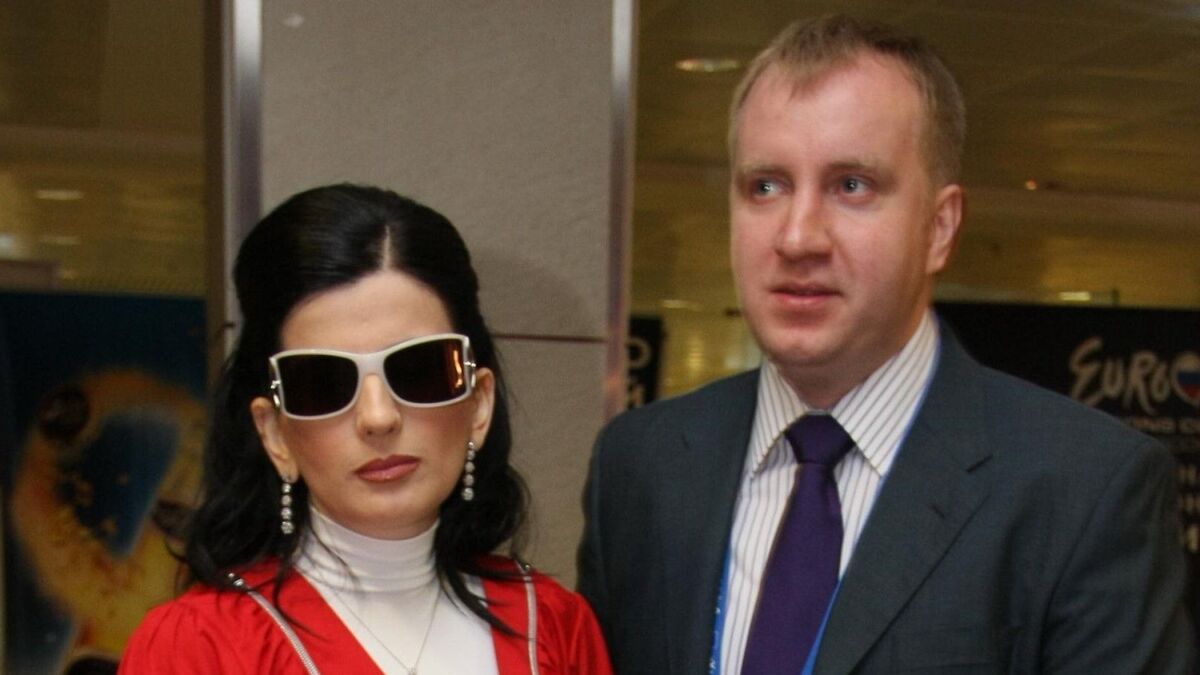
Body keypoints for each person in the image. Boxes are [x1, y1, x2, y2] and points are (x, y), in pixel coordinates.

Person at [578, 14, 1194, 674]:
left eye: (851, 186)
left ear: (940, 227)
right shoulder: (641, 467)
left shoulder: (1084, 490)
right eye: (766, 186)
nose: (798, 237)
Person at [121, 184, 612, 674]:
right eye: (324, 383)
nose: (378, 417)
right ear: (274, 434)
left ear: (479, 404)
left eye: (418, 370)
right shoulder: (199, 646)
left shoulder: (555, 625)